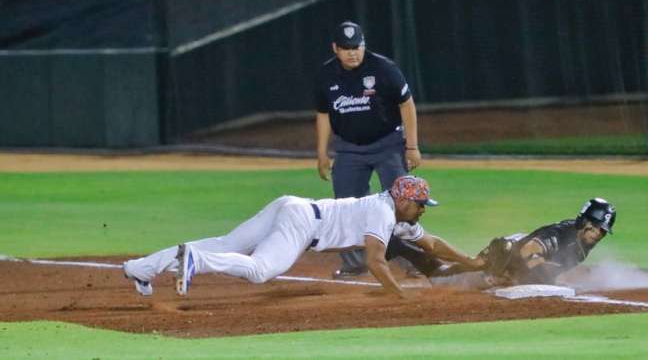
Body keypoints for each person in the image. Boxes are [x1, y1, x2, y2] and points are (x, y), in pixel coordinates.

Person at [122, 176, 484, 298]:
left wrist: (472, 261)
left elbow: (431, 244)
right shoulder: (382, 211)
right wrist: (400, 296)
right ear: (404, 199)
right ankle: (196, 261)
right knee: (261, 270)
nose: (423, 209)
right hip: (302, 224)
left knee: (225, 244)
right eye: (420, 204)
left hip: (293, 206)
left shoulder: (395, 212)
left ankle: (140, 267)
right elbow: (376, 261)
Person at [315, 21, 422, 278]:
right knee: (345, 207)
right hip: (349, 149)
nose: (353, 52)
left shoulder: (384, 68)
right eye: (346, 48)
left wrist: (412, 146)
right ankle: (355, 264)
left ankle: (415, 263)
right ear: (335, 49)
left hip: (388, 145)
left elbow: (407, 105)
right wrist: (321, 153)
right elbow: (323, 114)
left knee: (404, 204)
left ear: (364, 46)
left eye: (357, 47)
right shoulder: (326, 75)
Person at [390, 198, 617, 288]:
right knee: (441, 277)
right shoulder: (563, 233)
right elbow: (529, 251)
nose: (598, 234)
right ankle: (400, 247)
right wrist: (543, 277)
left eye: (602, 231)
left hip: (510, 266)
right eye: (595, 227)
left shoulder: (582, 247)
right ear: (584, 221)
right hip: (502, 258)